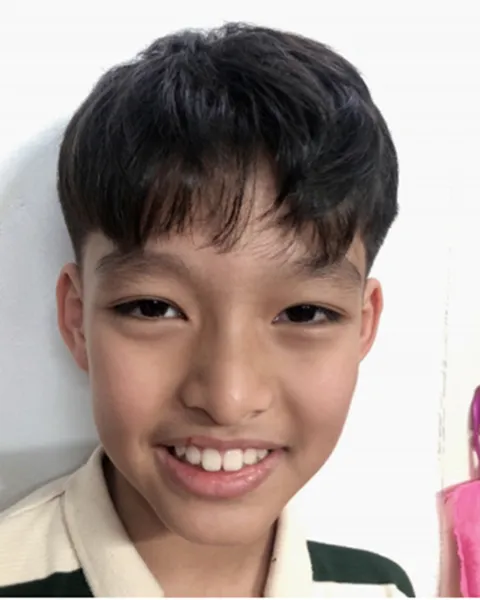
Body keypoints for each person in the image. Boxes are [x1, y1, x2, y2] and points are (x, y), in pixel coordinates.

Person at [0, 23, 415, 597]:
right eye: (153, 308)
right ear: (77, 319)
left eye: (303, 314)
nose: (228, 398)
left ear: (364, 327)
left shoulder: (379, 590)